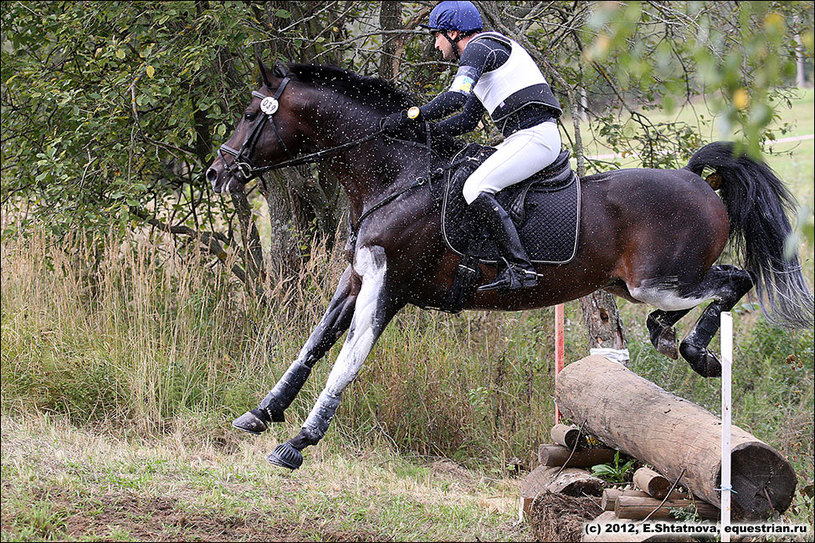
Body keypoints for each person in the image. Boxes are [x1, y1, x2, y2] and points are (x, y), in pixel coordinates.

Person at [382, 0, 563, 291]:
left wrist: (409, 115)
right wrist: (423, 132)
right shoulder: (484, 57)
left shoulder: (480, 48)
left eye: (436, 36)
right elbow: (466, 120)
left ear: (453, 33)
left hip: (536, 137)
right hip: (526, 137)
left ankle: (520, 269)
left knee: (475, 188)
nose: (436, 45)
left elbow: (455, 99)